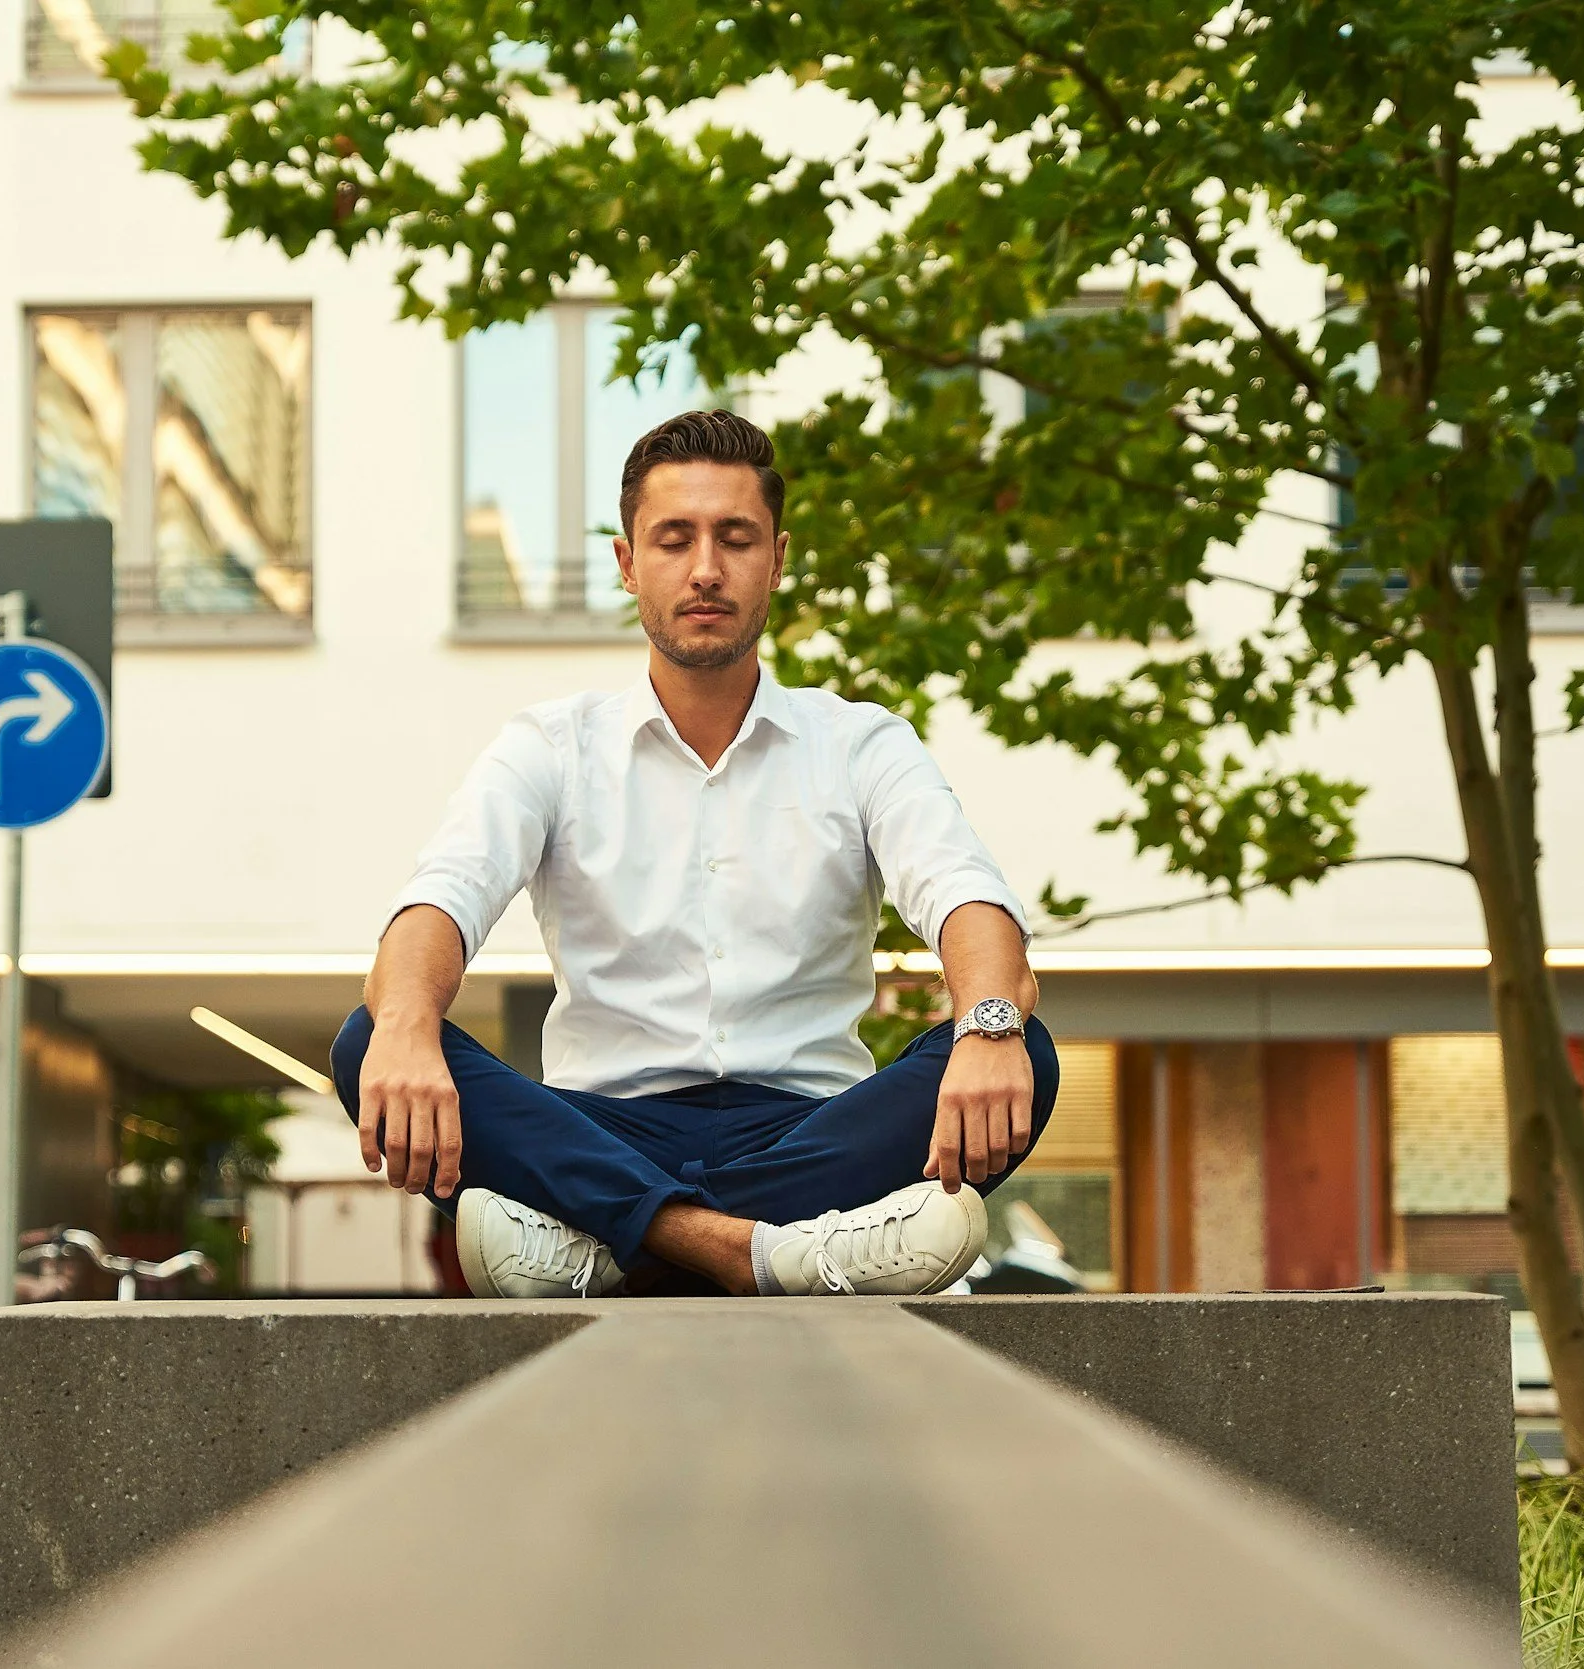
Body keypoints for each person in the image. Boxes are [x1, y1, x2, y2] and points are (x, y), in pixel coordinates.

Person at [331, 409, 1059, 1298]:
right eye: (674, 539)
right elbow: (439, 902)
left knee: (1029, 1051)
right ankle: (774, 1250)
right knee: (370, 1035)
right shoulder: (551, 746)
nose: (706, 568)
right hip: (604, 1128)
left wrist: (988, 1022)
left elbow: (966, 898)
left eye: (735, 538)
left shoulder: (861, 743)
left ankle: (607, 1240)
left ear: (778, 560)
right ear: (628, 563)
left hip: (811, 1130)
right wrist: (405, 1028)